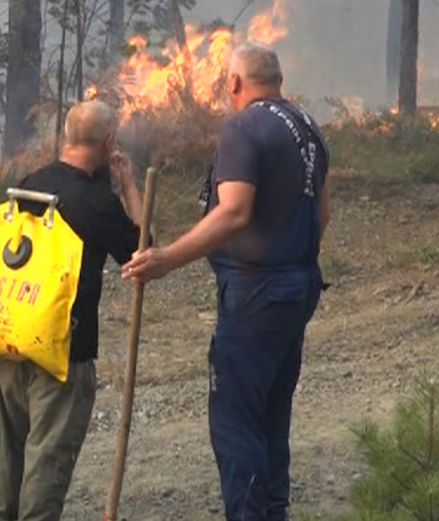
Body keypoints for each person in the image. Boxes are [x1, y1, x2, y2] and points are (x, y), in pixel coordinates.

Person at [121, 43, 331, 521]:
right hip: (297, 288)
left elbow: (234, 211)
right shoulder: (308, 127)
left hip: (256, 295)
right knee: (272, 417)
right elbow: (321, 215)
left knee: (236, 424)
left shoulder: (243, 126)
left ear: (234, 83)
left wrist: (166, 258)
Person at [0, 100, 148, 521]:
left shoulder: (29, 184)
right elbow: (144, 256)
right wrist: (129, 186)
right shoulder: (97, 201)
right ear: (109, 143)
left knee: (9, 454)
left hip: (11, 336)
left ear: (64, 136)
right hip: (63, 351)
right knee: (47, 461)